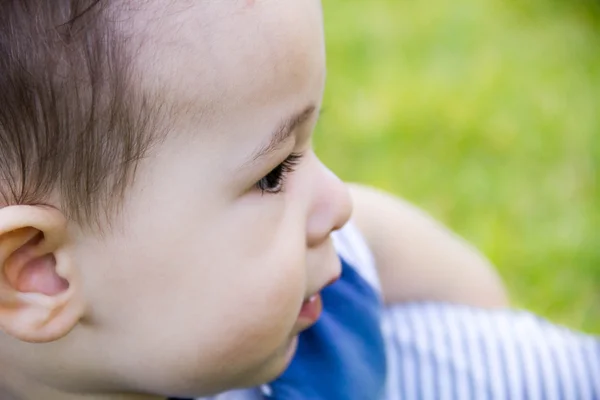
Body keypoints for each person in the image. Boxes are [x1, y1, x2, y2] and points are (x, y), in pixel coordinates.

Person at [0, 1, 597, 399]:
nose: (337, 202)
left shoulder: (328, 312)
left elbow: (391, 248)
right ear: (40, 271)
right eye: (273, 174)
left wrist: (486, 327)